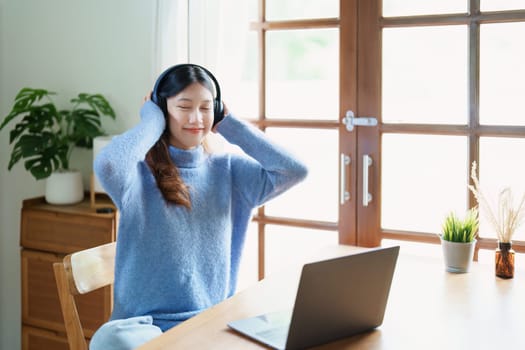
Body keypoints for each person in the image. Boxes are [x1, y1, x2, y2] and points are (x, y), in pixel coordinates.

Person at [89, 64, 308, 349]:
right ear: (161, 109)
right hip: (144, 331)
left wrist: (230, 125)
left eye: (206, 108)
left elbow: (295, 170)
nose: (196, 118)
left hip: (209, 327)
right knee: (110, 340)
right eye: (183, 106)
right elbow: (107, 164)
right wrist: (152, 123)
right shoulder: (137, 176)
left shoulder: (230, 172)